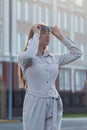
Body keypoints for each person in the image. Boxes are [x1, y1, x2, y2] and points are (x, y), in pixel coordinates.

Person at [18, 23, 82, 130]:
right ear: (35, 36)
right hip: (35, 103)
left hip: (54, 102)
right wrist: (36, 35)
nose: (48, 35)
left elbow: (77, 53)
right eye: (43, 33)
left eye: (49, 33)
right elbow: (30, 55)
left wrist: (60, 37)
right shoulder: (23, 57)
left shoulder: (54, 58)